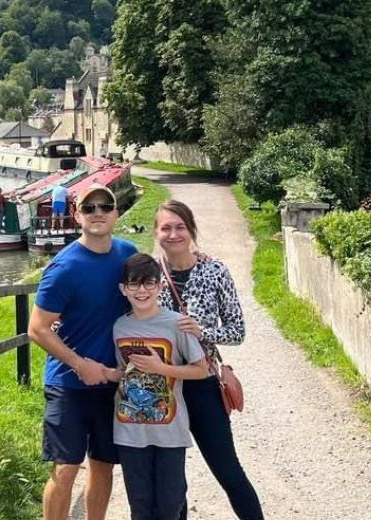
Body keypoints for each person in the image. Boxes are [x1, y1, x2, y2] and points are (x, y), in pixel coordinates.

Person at [27, 184, 138, 520]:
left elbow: (155, 285)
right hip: (68, 383)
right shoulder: (65, 268)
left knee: (103, 465)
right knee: (66, 468)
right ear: (77, 215)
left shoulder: (127, 255)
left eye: (106, 207)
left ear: (117, 214)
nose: (98, 213)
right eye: (90, 208)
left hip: (112, 383)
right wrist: (79, 364)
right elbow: (37, 328)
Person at [153, 200, 264, 520]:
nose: (173, 234)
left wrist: (203, 331)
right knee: (174, 482)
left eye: (180, 227)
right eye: (166, 227)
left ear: (191, 230)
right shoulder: (148, 272)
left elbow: (237, 330)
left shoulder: (215, 271)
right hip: (163, 388)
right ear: (156, 232)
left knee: (229, 472)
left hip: (202, 385)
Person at [112, 253, 208, 520]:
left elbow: (201, 369)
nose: (142, 290)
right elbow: (123, 372)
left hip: (170, 430)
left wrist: (161, 369)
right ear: (123, 289)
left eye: (149, 283)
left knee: (170, 505)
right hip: (129, 429)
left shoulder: (176, 324)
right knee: (140, 507)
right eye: (134, 284)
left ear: (160, 286)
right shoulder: (119, 327)